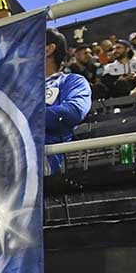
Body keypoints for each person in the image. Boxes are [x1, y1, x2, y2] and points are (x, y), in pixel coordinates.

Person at [43, 28, 92, 175]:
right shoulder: (14, 86)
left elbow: (73, 111)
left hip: (45, 156)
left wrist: (26, 118)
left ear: (48, 49)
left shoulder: (72, 81)